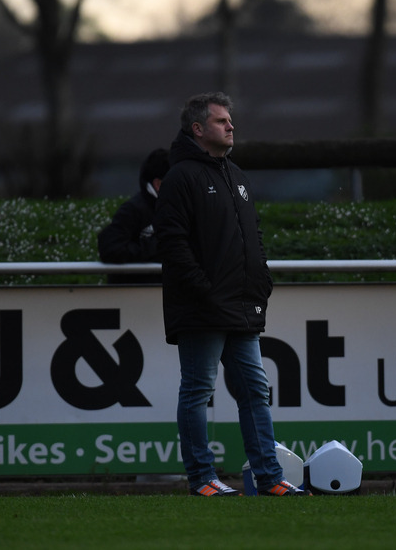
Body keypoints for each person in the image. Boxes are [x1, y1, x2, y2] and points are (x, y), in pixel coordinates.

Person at [154, 92, 307, 497]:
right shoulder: (180, 177)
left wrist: (261, 280)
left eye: (230, 120)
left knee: (255, 391)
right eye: (221, 121)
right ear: (198, 129)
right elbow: (172, 243)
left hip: (241, 306)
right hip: (202, 308)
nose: (231, 126)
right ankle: (202, 478)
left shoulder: (236, 176)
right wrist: (203, 290)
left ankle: (269, 478)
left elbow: (253, 235)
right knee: (198, 392)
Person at [97, 148, 169, 284]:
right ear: (158, 184)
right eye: (179, 181)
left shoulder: (181, 210)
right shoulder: (133, 210)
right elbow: (110, 248)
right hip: (136, 293)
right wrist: (158, 246)